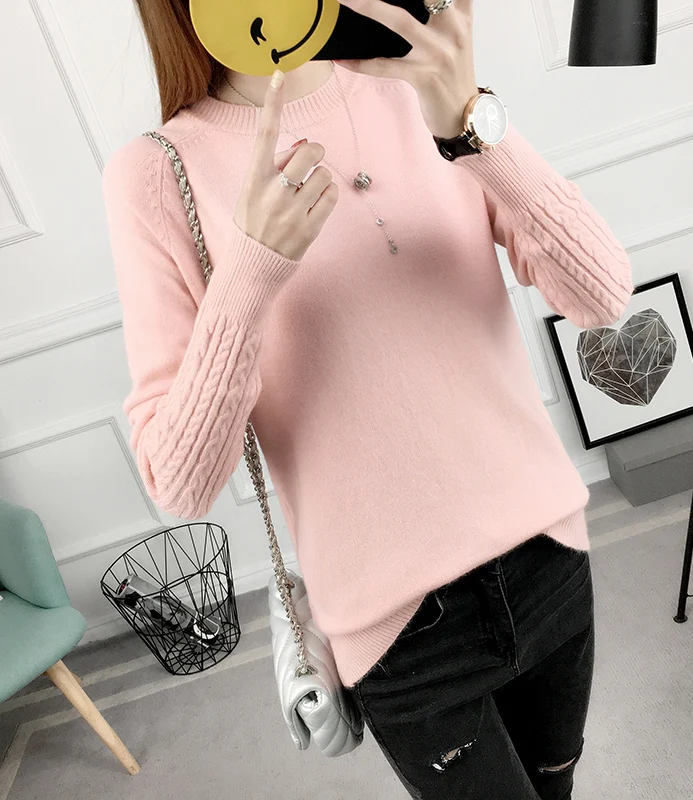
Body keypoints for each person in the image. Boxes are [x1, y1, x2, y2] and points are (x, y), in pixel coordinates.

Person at [104, 0, 633, 797]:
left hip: (548, 555)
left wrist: (473, 126)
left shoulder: (410, 81)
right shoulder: (156, 175)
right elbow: (178, 483)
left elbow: (602, 294)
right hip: (401, 631)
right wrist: (247, 277)